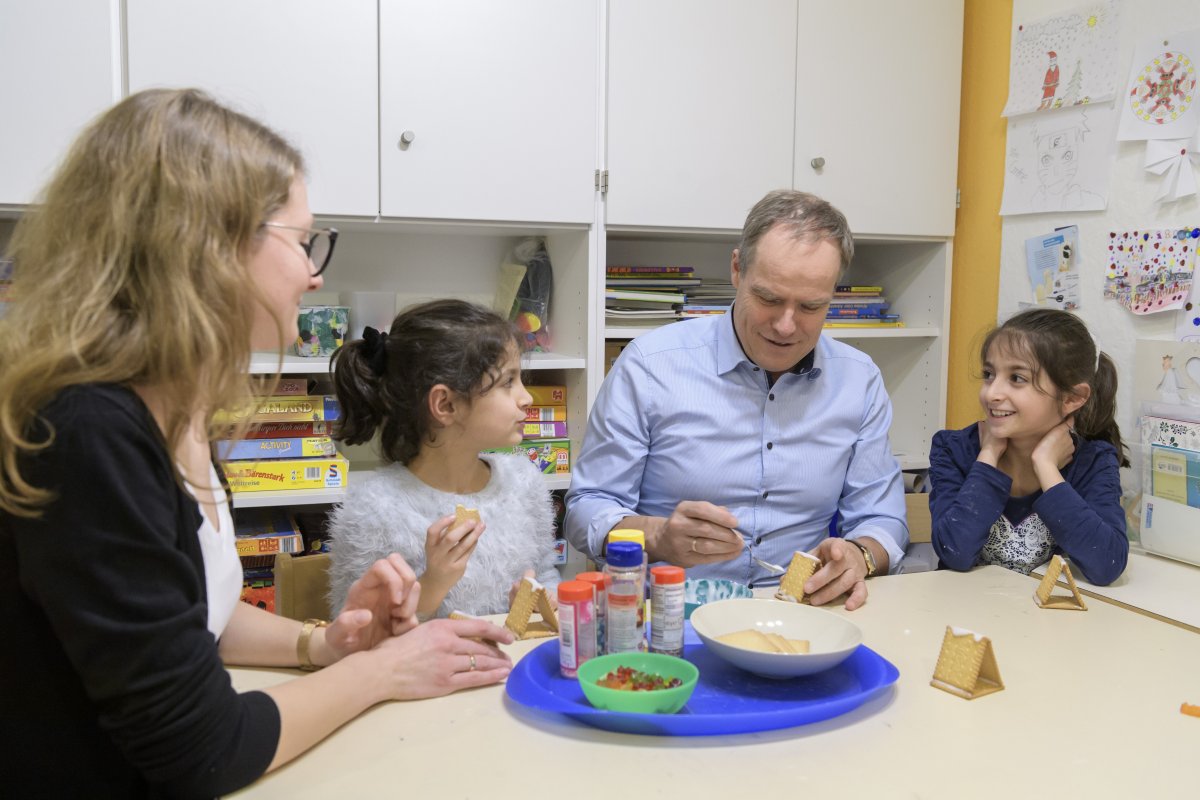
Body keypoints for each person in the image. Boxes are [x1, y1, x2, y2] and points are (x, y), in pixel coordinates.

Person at [0, 89, 513, 797]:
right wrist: (381, 670)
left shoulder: (173, 408)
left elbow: (187, 614)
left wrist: (320, 645)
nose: (315, 273)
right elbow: (199, 750)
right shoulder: (87, 430)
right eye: (302, 242)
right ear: (205, 247)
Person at [565, 190, 908, 611]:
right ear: (736, 270)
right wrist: (655, 536)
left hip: (801, 614)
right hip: (670, 615)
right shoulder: (650, 365)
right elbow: (585, 510)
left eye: (811, 306)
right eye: (768, 298)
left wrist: (862, 555)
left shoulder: (859, 380)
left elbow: (883, 519)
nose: (786, 326)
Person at [327, 299, 559, 618]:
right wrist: (433, 582)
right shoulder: (375, 510)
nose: (527, 397)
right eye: (507, 382)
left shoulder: (524, 482)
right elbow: (356, 633)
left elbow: (546, 577)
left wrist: (537, 601)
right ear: (445, 405)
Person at [929, 308, 1129, 585]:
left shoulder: (1094, 460)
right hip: (964, 619)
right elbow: (955, 553)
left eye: (1017, 378)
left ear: (1072, 397)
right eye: (989, 374)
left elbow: (1107, 565)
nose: (992, 393)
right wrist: (987, 457)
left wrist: (1047, 468)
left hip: (1046, 623)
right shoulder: (953, 449)